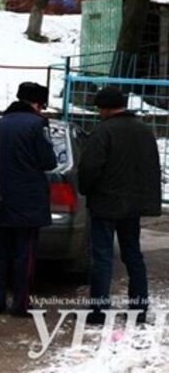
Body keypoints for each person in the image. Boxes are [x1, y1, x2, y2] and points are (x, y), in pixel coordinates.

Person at [78, 86, 161, 325]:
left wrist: (87, 189)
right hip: (133, 205)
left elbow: (89, 168)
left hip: (105, 203)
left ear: (104, 108)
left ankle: (98, 310)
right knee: (133, 255)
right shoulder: (145, 131)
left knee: (102, 257)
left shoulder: (103, 131)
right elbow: (151, 167)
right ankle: (139, 308)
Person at [0, 82, 57, 317]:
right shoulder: (37, 124)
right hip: (28, 203)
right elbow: (49, 161)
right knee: (24, 255)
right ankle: (20, 303)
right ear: (37, 104)